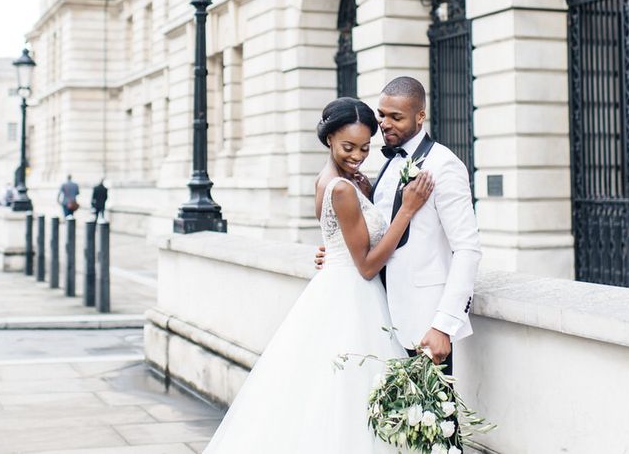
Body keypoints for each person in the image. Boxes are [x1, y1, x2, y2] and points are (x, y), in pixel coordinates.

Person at [203, 97, 435, 453]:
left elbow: (341, 240)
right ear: (329, 139)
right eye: (348, 147)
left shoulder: (340, 180)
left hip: (338, 287)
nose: (358, 155)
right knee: (348, 400)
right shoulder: (340, 188)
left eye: (364, 147)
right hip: (352, 296)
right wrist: (407, 210)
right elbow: (367, 264)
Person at [317, 76, 481, 375]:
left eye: (396, 117)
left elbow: (467, 249)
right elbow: (374, 233)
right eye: (382, 115)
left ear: (420, 116)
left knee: (433, 420)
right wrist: (338, 251)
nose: (385, 124)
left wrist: (443, 325)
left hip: (423, 324)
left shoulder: (444, 166)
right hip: (379, 318)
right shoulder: (387, 164)